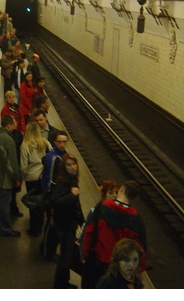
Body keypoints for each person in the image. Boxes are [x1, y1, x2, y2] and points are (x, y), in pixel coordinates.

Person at [80, 180, 148, 289]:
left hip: (97, 260)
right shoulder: (136, 219)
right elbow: (141, 248)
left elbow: (89, 232)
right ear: (133, 198)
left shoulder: (102, 207)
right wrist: (139, 270)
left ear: (121, 189)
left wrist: (85, 255)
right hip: (119, 268)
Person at [50, 154, 84, 288]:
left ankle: (64, 282)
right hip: (64, 225)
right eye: (69, 165)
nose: (73, 167)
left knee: (66, 255)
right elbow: (55, 201)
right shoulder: (63, 182)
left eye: (74, 164)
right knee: (66, 256)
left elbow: (76, 203)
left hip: (69, 223)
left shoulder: (72, 179)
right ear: (64, 167)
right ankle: (60, 285)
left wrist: (82, 221)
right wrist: (71, 195)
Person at [0, 115, 22, 237]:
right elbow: (12, 163)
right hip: (4, 179)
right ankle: (6, 228)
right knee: (4, 204)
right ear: (8, 126)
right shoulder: (8, 140)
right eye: (13, 125)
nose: (15, 126)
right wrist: (17, 178)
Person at [20, 121, 50, 236]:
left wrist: (22, 179)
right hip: (42, 178)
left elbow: (23, 167)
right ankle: (41, 226)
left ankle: (34, 229)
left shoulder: (25, 146)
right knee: (41, 203)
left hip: (31, 178)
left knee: (32, 205)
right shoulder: (45, 143)